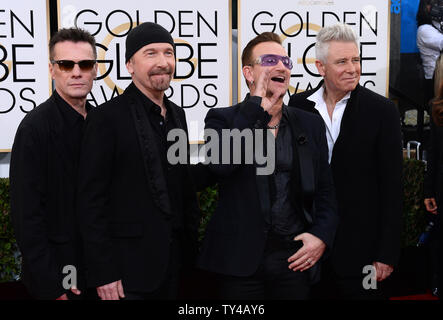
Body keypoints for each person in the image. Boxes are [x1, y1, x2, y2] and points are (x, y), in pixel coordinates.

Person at [197, 32, 339, 300]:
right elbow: (222, 164)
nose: (280, 66)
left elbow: (326, 191)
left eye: (285, 61)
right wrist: (255, 108)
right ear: (249, 73)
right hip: (240, 265)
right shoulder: (222, 119)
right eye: (269, 60)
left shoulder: (309, 123)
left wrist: (320, 236)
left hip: (294, 260)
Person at [76, 22, 200, 300]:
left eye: (169, 53)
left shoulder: (177, 115)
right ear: (130, 65)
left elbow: (180, 185)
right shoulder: (106, 118)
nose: (163, 62)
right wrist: (103, 271)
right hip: (126, 274)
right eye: (151, 53)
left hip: (175, 267)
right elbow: (90, 202)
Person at [289, 23, 403, 299]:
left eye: (356, 60)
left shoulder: (382, 111)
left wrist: (386, 254)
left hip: (364, 253)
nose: (353, 68)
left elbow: (392, 187)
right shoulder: (298, 106)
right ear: (320, 67)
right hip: (311, 249)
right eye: (342, 61)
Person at [9, 28, 98, 299]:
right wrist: (52, 284)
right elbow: (27, 216)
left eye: (85, 64)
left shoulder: (101, 123)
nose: (76, 72)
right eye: (65, 64)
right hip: (59, 275)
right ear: (52, 70)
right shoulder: (34, 129)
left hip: (99, 272)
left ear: (95, 70)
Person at [417, 0, 443, 108]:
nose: (437, 7)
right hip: (435, 82)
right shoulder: (424, 30)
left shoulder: (438, 24)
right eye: (432, 3)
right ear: (425, 7)